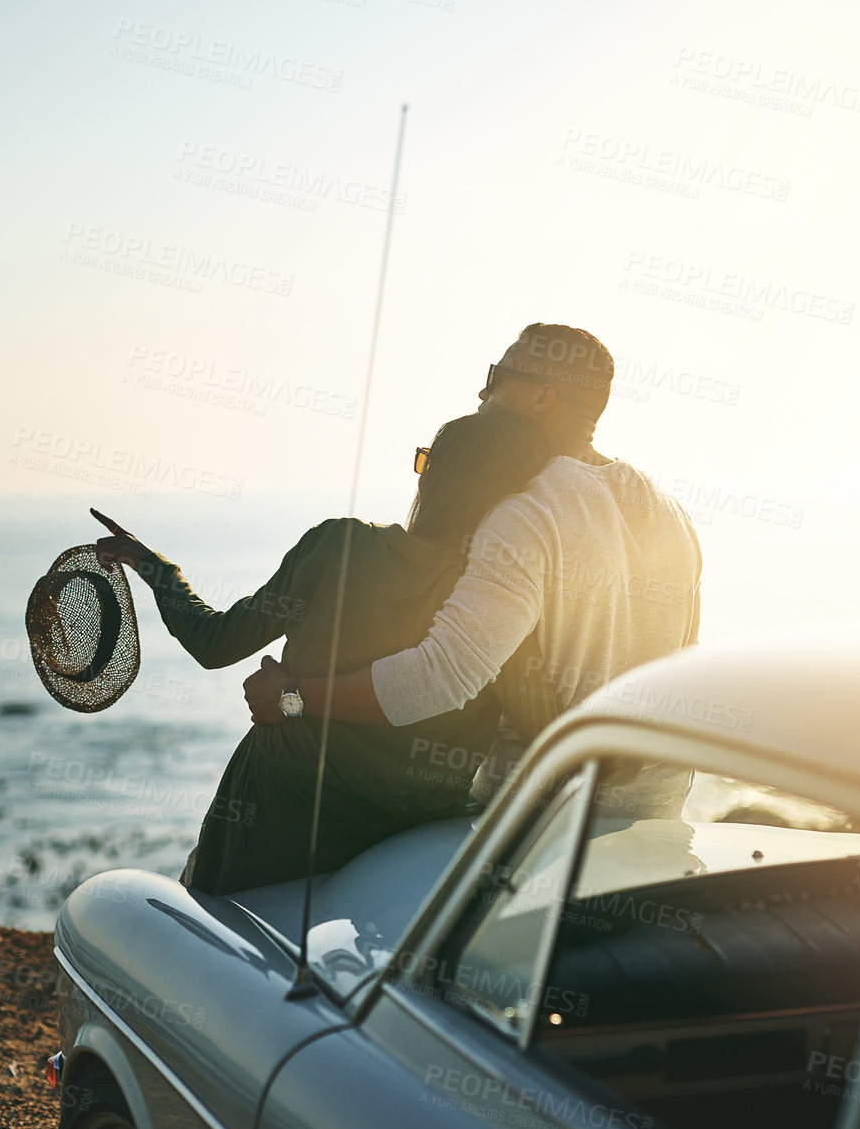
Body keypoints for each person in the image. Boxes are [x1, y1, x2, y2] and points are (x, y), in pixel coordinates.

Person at [91, 403, 551, 894]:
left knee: (214, 936)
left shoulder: (338, 546)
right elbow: (539, 721)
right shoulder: (505, 599)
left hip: (278, 815)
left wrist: (156, 567)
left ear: (433, 476)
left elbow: (215, 643)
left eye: (426, 460)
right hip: (411, 834)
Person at [243, 322, 702, 801]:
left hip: (530, 826)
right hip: (652, 814)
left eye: (497, 376)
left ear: (543, 397)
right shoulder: (670, 512)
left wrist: (291, 697)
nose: (482, 393)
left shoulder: (525, 512)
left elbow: (440, 677)